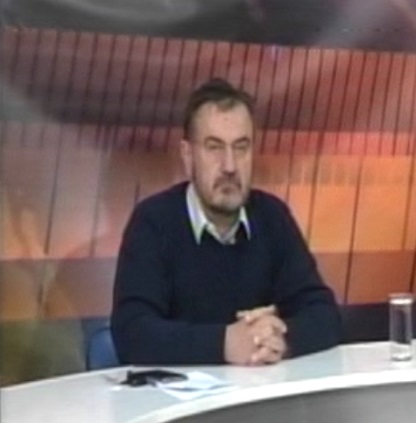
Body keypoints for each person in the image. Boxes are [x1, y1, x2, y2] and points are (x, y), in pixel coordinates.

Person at [111, 78, 341, 366]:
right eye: (214, 147)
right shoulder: (153, 222)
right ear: (188, 156)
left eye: (241, 147)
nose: (230, 166)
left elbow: (325, 315)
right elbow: (132, 334)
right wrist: (224, 343)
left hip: (261, 392)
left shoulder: (272, 217)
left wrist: (278, 337)